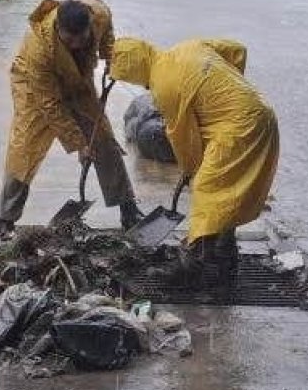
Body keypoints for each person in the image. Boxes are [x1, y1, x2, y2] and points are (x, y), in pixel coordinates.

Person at [110, 37, 279, 276]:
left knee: (207, 189)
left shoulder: (163, 86)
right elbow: (237, 50)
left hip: (238, 128)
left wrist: (190, 169)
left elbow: (183, 137)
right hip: (261, 112)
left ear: (136, 69)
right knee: (227, 190)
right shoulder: (187, 47)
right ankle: (225, 251)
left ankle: (195, 262)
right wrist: (226, 93)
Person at [0, 0, 144, 238]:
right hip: (35, 88)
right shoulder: (39, 50)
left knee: (103, 139)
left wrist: (110, 57)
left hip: (77, 81)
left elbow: (106, 36)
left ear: (89, 25)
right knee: (25, 149)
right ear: (58, 29)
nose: (76, 45)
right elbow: (51, 105)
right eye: (69, 40)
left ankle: (129, 209)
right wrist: (79, 144)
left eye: (82, 38)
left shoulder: (100, 14)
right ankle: (5, 219)